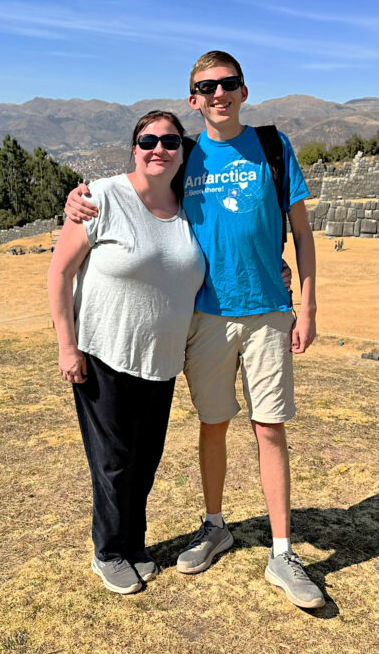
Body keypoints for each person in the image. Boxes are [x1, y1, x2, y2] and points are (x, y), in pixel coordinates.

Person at [65, 50, 323, 609]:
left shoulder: (274, 149)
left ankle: (282, 551)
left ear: (244, 90)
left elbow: (300, 235)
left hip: (267, 312)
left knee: (270, 427)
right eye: (206, 87)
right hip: (205, 317)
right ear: (193, 99)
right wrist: (77, 201)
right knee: (213, 424)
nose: (218, 94)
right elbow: (140, 191)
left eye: (227, 84)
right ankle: (214, 526)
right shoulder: (186, 157)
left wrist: (308, 304)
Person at [48, 111, 206, 595]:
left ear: (183, 151)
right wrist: (66, 346)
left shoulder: (193, 209)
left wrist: (277, 269)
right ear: (134, 147)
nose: (158, 149)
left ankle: (133, 542)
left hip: (161, 360)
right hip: (102, 354)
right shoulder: (102, 198)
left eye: (170, 141)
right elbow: (59, 274)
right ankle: (109, 551)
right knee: (113, 461)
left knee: (146, 458)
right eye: (148, 140)